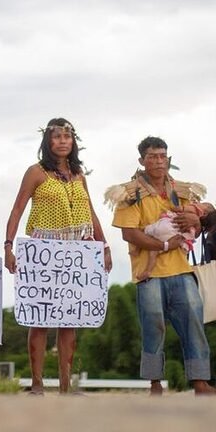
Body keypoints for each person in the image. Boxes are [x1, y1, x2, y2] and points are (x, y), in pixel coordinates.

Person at [4, 118, 111, 395]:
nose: (63, 141)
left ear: (73, 142)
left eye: (67, 136)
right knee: (39, 317)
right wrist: (8, 246)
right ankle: (37, 383)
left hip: (77, 250)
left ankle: (66, 385)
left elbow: (91, 213)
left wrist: (105, 247)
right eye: (57, 137)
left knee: (70, 318)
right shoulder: (36, 172)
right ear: (48, 142)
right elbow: (17, 209)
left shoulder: (78, 175)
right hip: (44, 249)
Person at [107, 136, 215, 396]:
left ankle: (200, 382)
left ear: (168, 159)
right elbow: (130, 234)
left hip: (181, 269)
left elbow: (204, 217)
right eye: (152, 156)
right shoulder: (130, 193)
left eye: (162, 156)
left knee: (193, 323)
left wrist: (197, 215)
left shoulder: (183, 190)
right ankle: (155, 383)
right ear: (142, 160)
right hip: (148, 271)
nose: (158, 161)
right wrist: (166, 245)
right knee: (153, 325)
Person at [135, 202, 214, 281]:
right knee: (154, 252)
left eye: (202, 204)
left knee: (144, 232)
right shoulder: (195, 227)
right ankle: (148, 270)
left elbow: (175, 208)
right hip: (175, 236)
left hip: (168, 225)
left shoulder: (195, 208)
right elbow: (195, 235)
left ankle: (136, 249)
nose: (198, 203)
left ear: (204, 213)